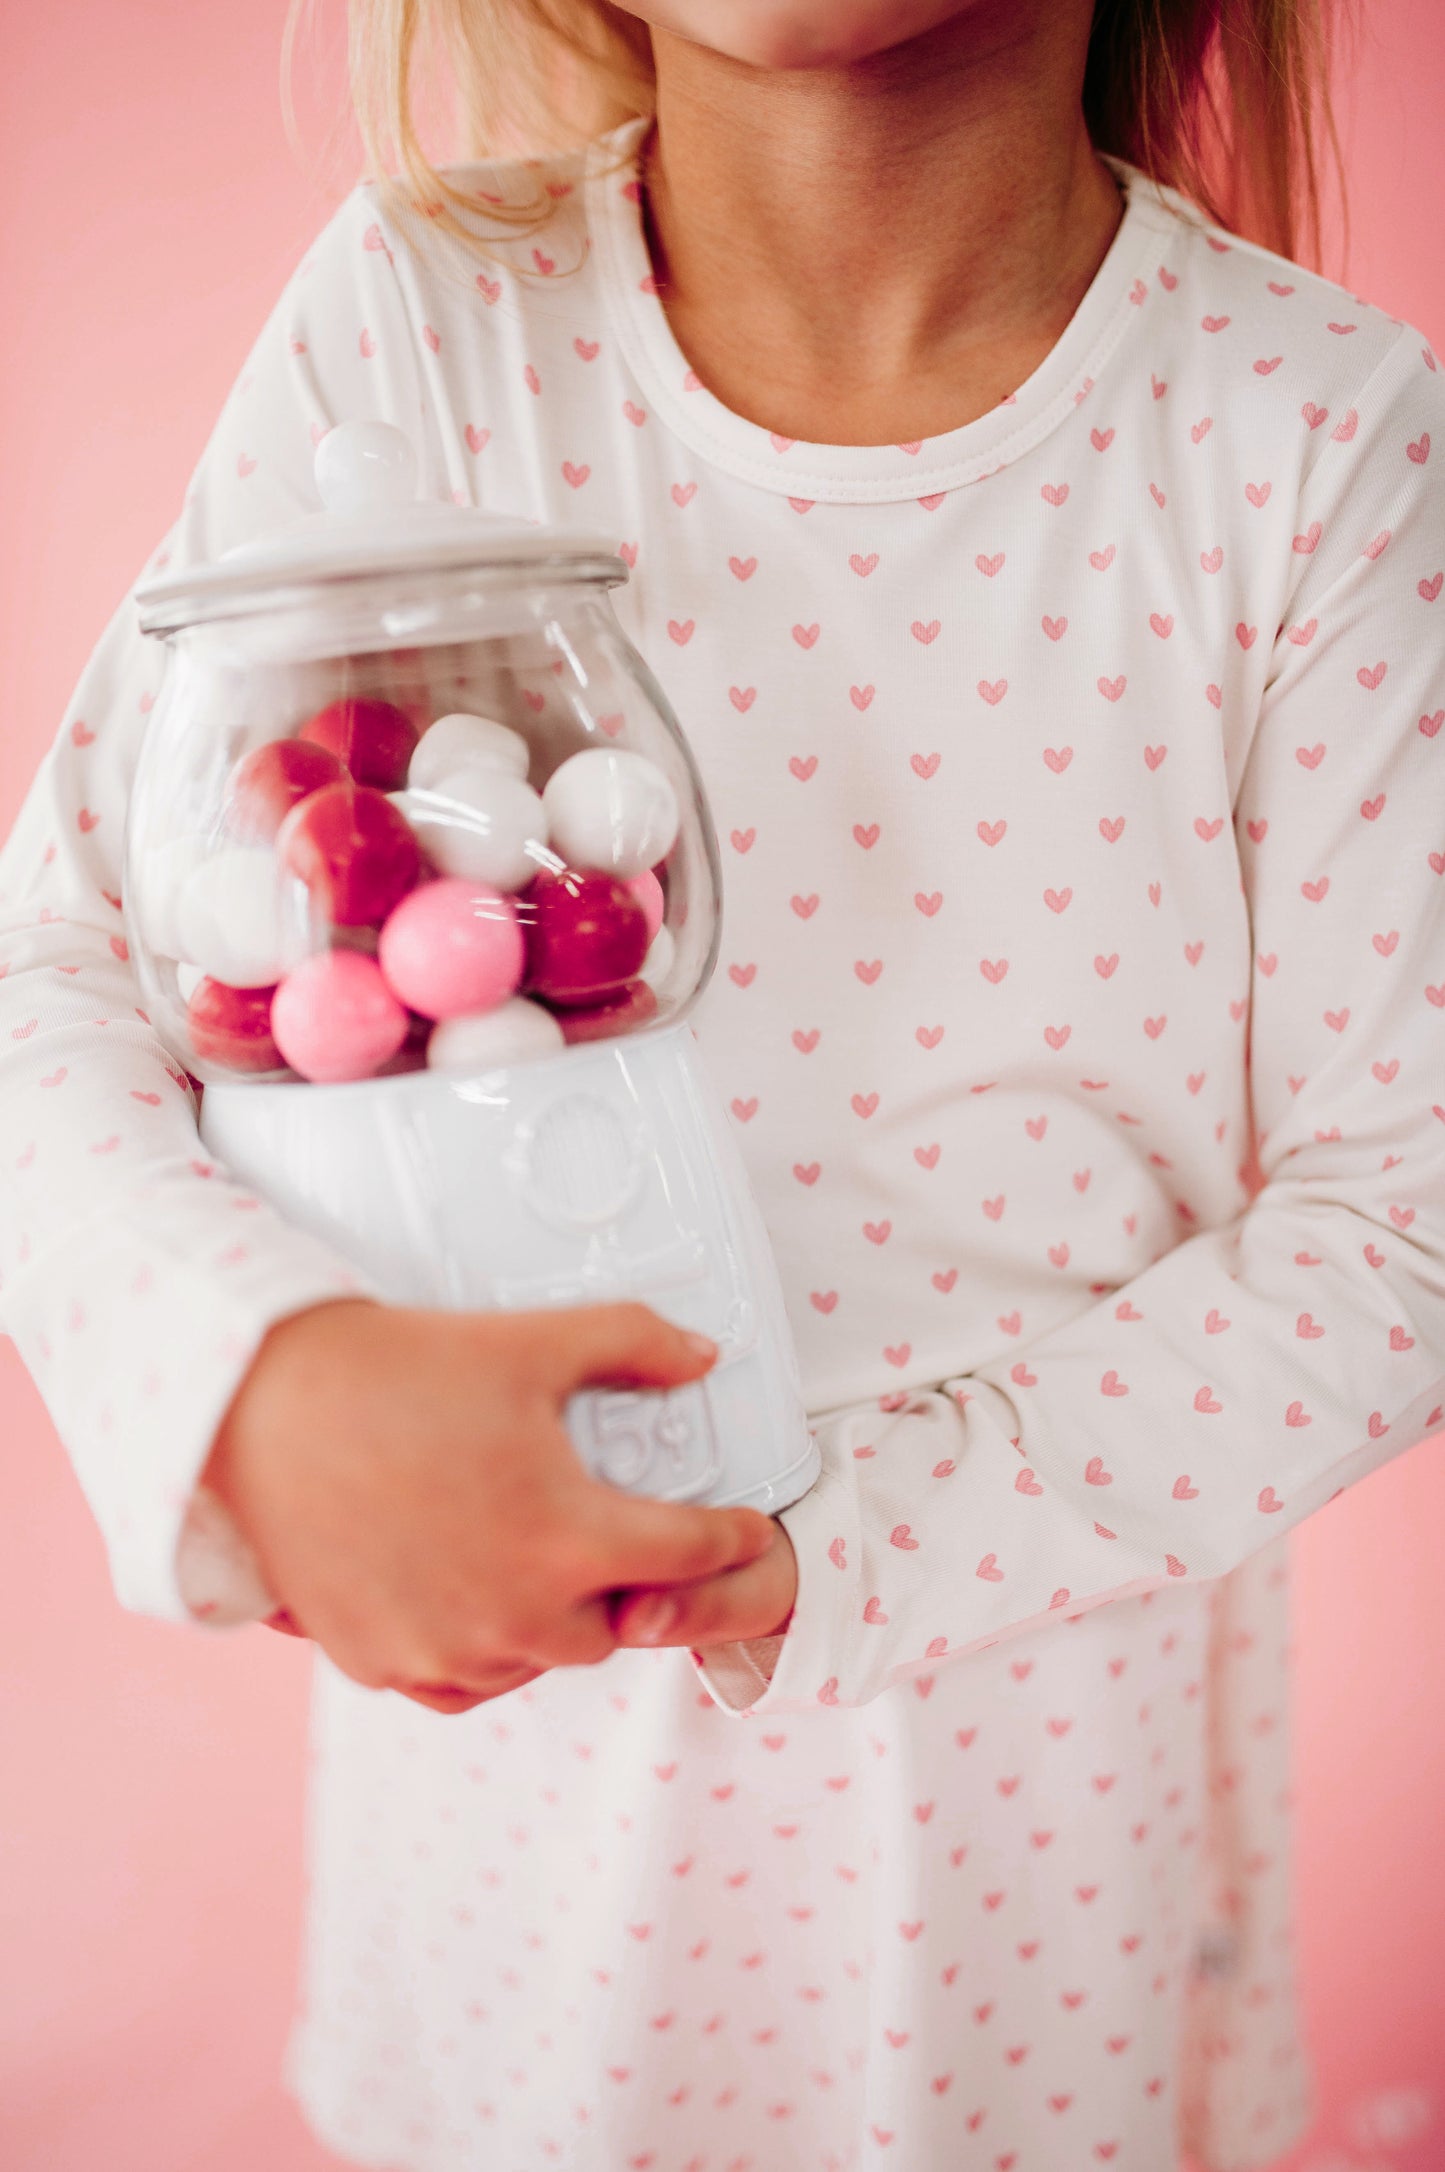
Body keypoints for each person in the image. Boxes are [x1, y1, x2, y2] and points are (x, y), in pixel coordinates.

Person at [3, 1, 1442, 2165]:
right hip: (518, 1863)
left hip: (1045, 1842)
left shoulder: (1319, 442)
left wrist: (828, 1551)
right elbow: (67, 963)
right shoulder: (429, 328)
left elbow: (1404, 1211)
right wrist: (258, 1370)